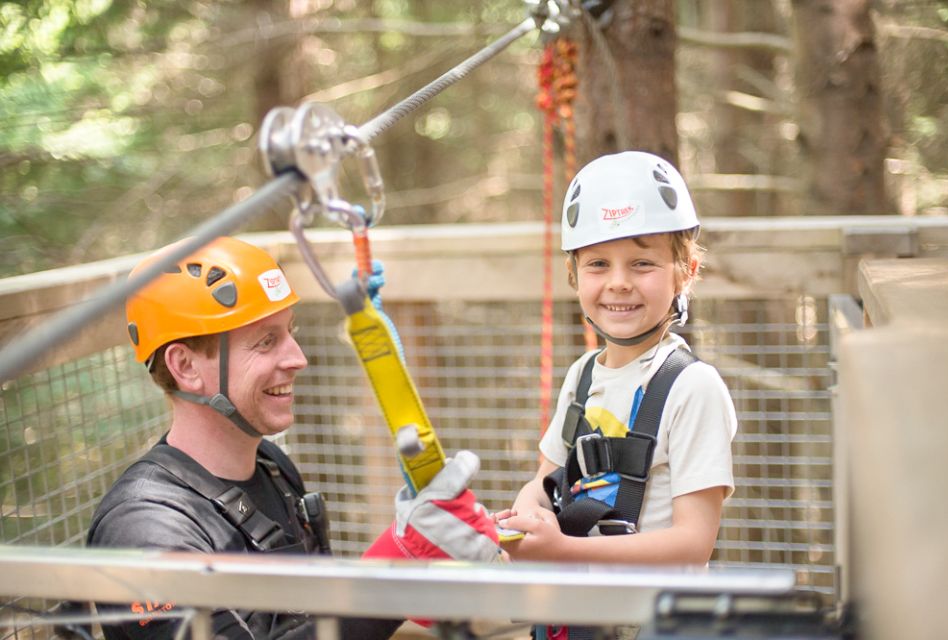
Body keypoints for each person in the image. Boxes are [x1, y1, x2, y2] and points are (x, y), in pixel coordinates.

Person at [86, 236, 499, 640]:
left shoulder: (271, 466)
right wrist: (397, 572)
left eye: (289, 332)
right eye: (266, 341)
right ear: (185, 365)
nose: (297, 358)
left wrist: (421, 555)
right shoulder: (145, 530)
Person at [497, 152, 737, 638]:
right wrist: (523, 521)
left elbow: (694, 542)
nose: (619, 282)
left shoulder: (692, 388)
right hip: (582, 619)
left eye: (642, 263)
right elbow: (546, 481)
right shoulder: (583, 376)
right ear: (574, 274)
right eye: (598, 264)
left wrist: (563, 551)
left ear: (685, 271)